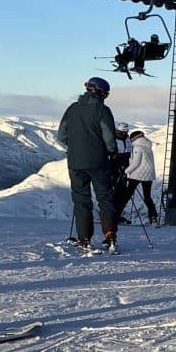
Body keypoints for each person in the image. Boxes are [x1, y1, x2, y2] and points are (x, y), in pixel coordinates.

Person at [57, 77, 120, 253]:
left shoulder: (72, 108)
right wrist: (112, 151)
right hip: (99, 161)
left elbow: (61, 136)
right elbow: (109, 137)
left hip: (75, 162)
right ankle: (110, 236)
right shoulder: (102, 110)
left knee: (81, 200)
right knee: (105, 198)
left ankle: (84, 239)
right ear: (101, 93)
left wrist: (76, 147)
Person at [114, 130, 159, 226]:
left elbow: (136, 163)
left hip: (137, 174)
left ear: (134, 138)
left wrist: (125, 171)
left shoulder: (137, 147)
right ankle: (153, 218)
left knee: (127, 195)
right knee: (147, 197)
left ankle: (116, 215)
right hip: (149, 175)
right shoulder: (147, 146)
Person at [111, 123, 133, 223]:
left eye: (124, 132)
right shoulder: (113, 139)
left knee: (122, 192)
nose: (122, 134)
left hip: (124, 167)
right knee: (114, 191)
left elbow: (129, 152)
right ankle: (111, 214)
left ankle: (117, 214)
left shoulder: (127, 140)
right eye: (121, 132)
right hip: (114, 167)